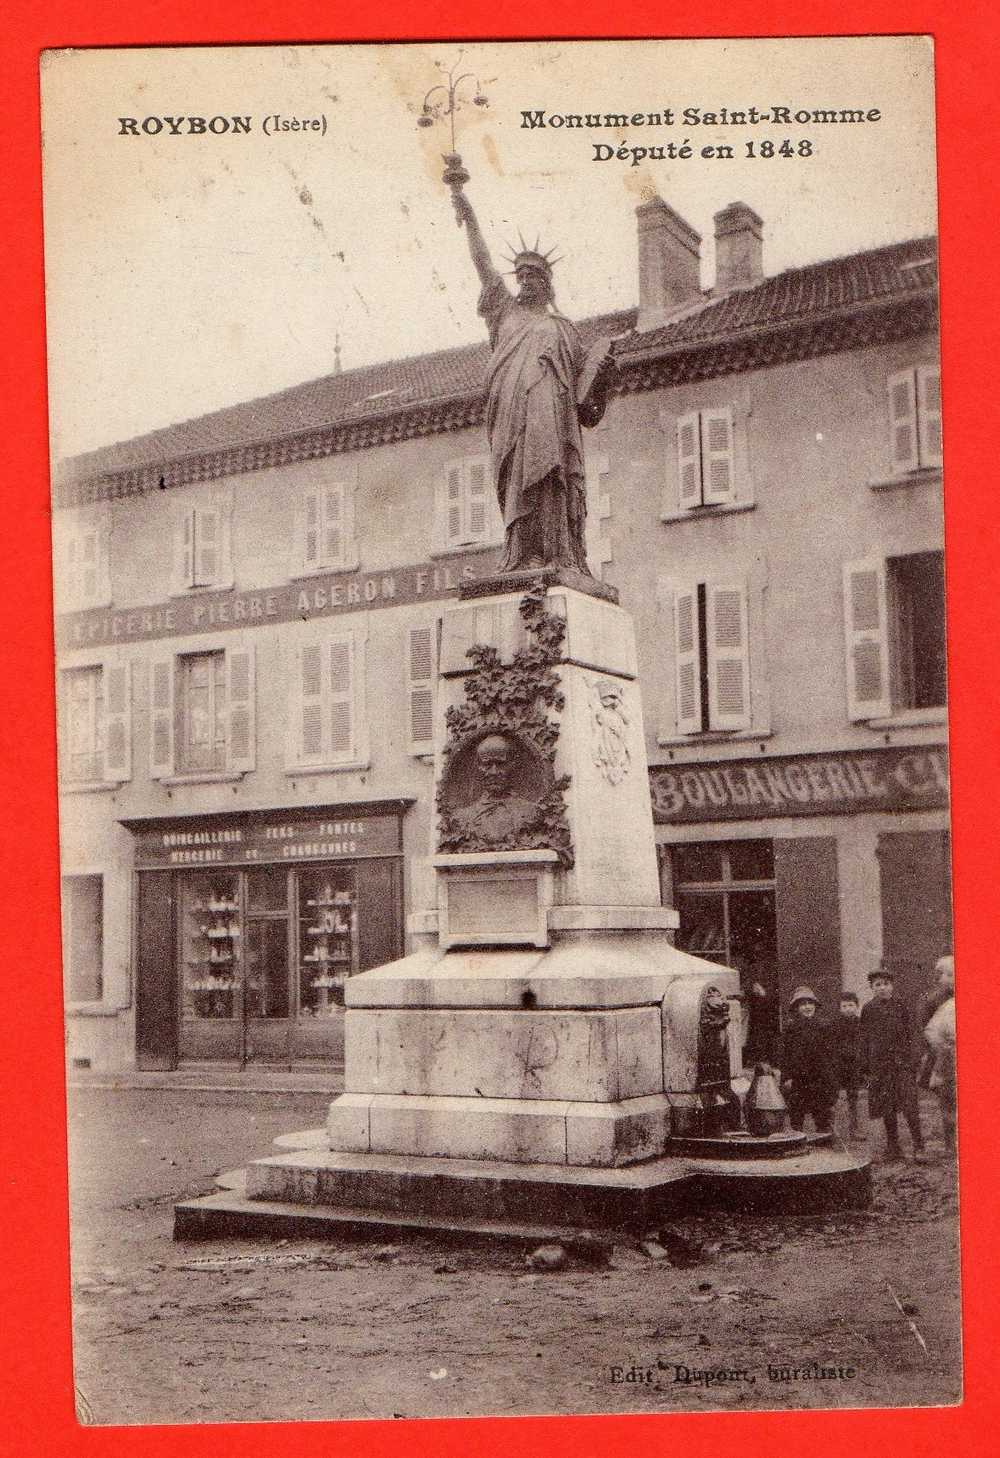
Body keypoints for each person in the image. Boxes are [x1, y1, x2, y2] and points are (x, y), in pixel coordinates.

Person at [451, 185, 617, 574]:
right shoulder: (504, 312)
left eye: (533, 275)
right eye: (520, 275)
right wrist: (469, 214)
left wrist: (604, 374)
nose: (524, 281)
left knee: (549, 480)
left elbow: (587, 405)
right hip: (510, 415)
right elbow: (483, 262)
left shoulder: (563, 329)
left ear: (546, 282)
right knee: (515, 483)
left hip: (552, 422)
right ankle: (520, 554)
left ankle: (556, 553)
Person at [860, 966, 926, 1162]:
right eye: (877, 985)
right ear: (872, 988)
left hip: (902, 1065)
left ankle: (919, 1145)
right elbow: (864, 1038)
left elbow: (913, 1034)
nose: (882, 988)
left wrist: (913, 1060)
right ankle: (893, 1146)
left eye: (886, 984)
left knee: (909, 1104)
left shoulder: (902, 1006)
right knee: (887, 1107)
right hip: (880, 1067)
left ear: (892, 986)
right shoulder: (868, 1009)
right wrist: (865, 1066)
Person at [449, 734, 540, 846]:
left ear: (513, 765)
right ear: (478, 767)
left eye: (501, 764)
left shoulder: (531, 812)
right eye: (487, 764)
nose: (493, 772)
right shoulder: (463, 817)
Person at [778, 986, 838, 1134]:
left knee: (822, 1112)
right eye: (803, 1004)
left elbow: (832, 1055)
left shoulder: (824, 1026)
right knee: (796, 1113)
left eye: (810, 1003)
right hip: (798, 1079)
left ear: (815, 1006)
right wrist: (787, 1077)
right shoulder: (790, 1029)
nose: (807, 1007)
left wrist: (831, 1078)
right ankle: (797, 1139)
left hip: (820, 1077)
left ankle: (824, 1140)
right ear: (796, 1007)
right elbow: (784, 1055)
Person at [923, 993, 957, 1155]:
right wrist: (946, 1046)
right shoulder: (948, 1007)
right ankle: (950, 1145)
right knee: (947, 1100)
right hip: (949, 1057)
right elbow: (931, 1031)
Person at [832, 991, 864, 1138]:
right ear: (840, 1008)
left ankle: (854, 1129)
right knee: (833, 1097)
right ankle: (831, 1129)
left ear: (857, 1006)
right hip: (838, 1065)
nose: (848, 1009)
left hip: (854, 1066)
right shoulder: (835, 1025)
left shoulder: (861, 1024)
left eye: (851, 1005)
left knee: (853, 1098)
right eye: (844, 1006)